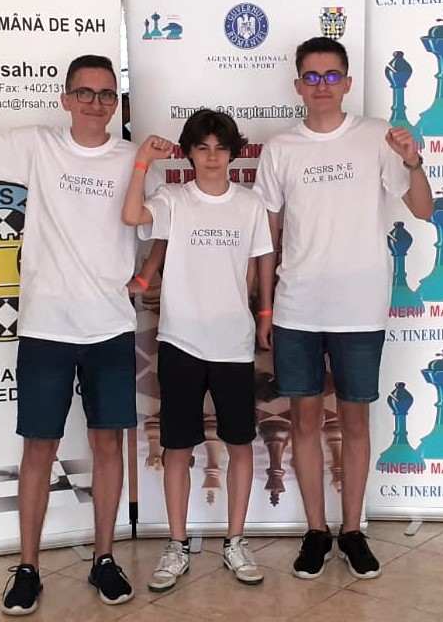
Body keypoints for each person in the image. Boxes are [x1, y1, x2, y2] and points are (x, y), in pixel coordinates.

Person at [0, 47, 140, 615]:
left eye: (106, 94)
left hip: (110, 327)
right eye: (85, 92)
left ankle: (104, 558)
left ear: (115, 102)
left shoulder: (133, 158)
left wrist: (148, 274)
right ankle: (27, 567)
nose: (96, 103)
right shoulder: (37, 145)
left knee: (107, 445)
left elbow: (166, 220)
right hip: (47, 327)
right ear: (66, 99)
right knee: (39, 449)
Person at [253, 36, 433, 580]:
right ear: (297, 85)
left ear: (348, 83)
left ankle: (352, 530)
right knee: (304, 421)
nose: (322, 85)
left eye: (332, 76)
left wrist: (413, 161)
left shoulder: (379, 136)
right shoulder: (281, 148)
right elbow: (267, 234)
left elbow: (423, 209)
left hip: (360, 307)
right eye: (312, 76)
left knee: (355, 421)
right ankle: (316, 531)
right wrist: (265, 308)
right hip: (297, 307)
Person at [122, 110, 274, 592]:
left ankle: (235, 541)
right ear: (189, 152)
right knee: (178, 446)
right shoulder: (174, 199)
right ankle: (177, 544)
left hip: (233, 343)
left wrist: (264, 314)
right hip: (180, 340)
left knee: (240, 443)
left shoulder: (249, 204)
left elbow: (260, 262)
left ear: (234, 153)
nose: (211, 157)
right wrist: (142, 163)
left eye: (220, 148)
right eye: (202, 147)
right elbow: (132, 215)